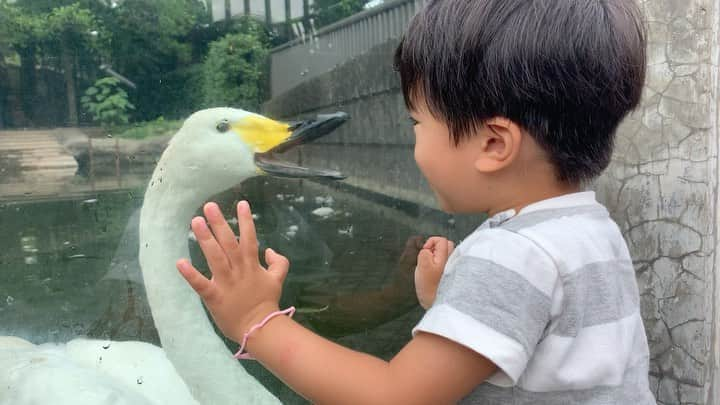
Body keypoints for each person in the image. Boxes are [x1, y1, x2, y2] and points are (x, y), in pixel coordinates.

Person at [176, 0, 655, 403]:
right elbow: (541, 338)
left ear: (493, 145)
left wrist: (257, 322)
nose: (414, 142)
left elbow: (395, 395)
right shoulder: (591, 229)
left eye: (417, 124)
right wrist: (449, 301)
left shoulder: (511, 256)